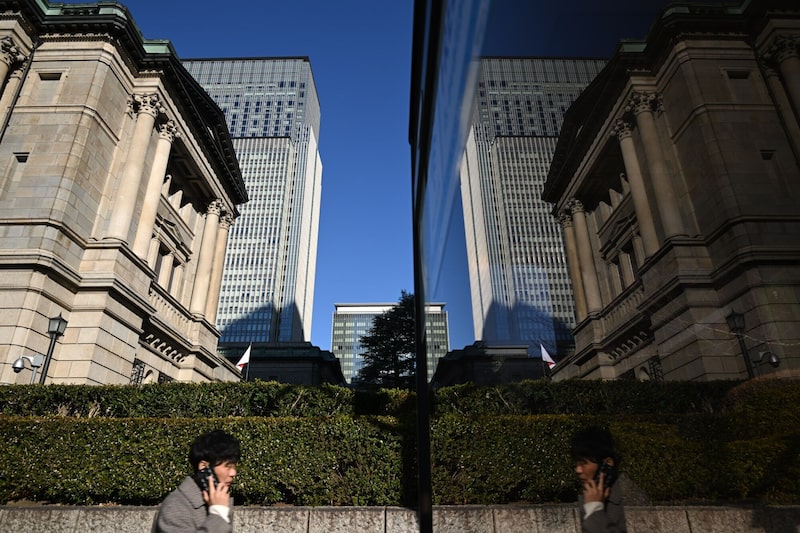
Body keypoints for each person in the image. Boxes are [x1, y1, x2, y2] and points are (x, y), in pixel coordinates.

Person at [154, 429, 240, 533]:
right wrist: (218, 514)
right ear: (204, 466)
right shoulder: (175, 507)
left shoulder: (219, 500)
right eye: (228, 466)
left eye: (234, 466)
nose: (233, 473)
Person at [571, 426, 626, 533]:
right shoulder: (587, 500)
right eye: (576, 464)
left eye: (583, 463)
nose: (578, 470)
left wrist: (594, 509)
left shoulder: (627, 500)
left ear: (608, 463)